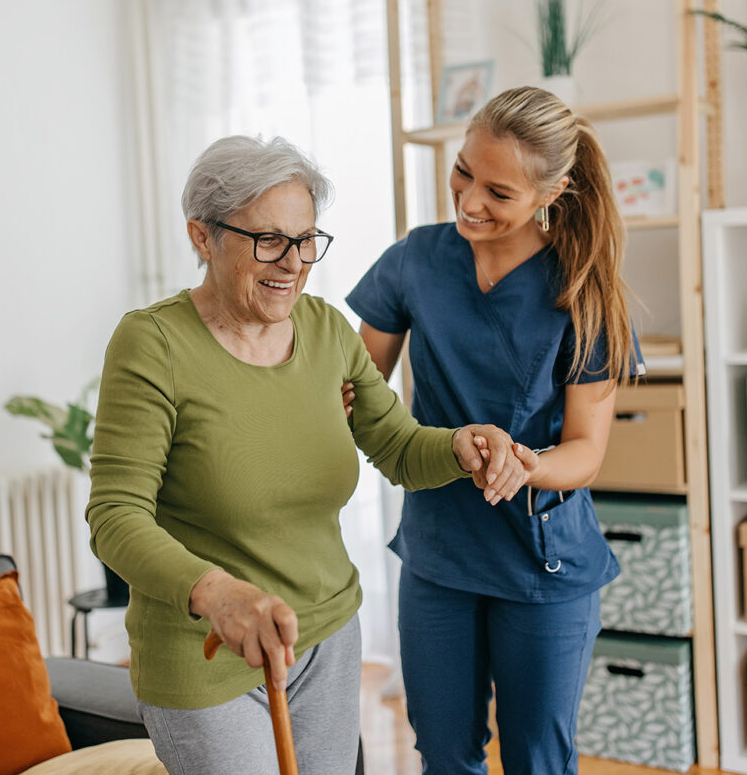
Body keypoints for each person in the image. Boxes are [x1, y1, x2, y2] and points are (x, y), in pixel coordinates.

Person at [86, 135, 521, 775]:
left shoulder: (325, 331)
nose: (293, 263)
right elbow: (116, 516)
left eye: (305, 240)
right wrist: (215, 592)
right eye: (267, 240)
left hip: (327, 636)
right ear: (202, 238)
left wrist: (460, 445)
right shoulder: (152, 344)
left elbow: (399, 448)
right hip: (206, 647)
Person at [345, 86, 644, 775]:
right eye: (463, 173)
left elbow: (586, 451)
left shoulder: (585, 290)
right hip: (439, 555)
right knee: (445, 756)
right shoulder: (415, 261)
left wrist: (525, 464)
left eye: (499, 192)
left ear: (553, 192)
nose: (470, 201)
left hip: (543, 563)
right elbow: (356, 391)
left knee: (539, 760)